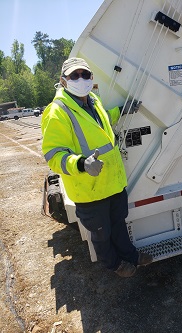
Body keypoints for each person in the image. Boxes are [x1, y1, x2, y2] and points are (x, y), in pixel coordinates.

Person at [41, 57, 153, 277]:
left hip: (112, 182)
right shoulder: (57, 111)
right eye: (74, 75)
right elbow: (54, 155)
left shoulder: (93, 100)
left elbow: (103, 121)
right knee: (101, 233)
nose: (80, 79)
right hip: (89, 189)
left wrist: (122, 110)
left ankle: (131, 255)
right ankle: (113, 264)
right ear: (63, 81)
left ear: (91, 78)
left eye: (85, 75)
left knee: (119, 225)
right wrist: (82, 163)